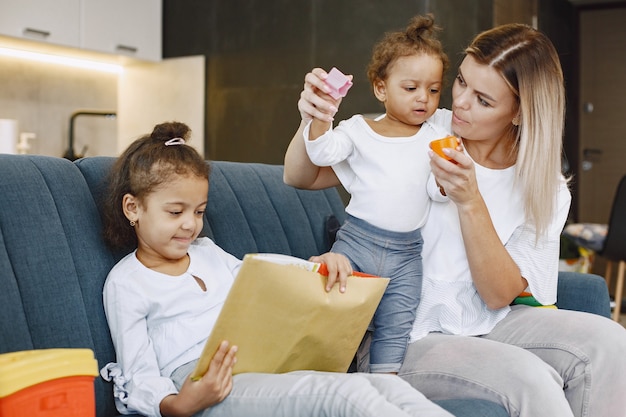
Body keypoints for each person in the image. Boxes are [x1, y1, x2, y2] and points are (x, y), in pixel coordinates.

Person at [285, 21, 626, 417]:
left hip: (492, 320)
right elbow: (302, 175)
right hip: (406, 331)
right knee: (529, 378)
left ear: (519, 113)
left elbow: (500, 296)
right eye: (461, 81)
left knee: (612, 343)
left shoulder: (543, 184)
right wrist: (313, 117)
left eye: (483, 100)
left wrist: (469, 200)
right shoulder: (423, 127)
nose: (460, 102)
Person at [98, 121, 454, 417]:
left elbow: (259, 275)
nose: (190, 225)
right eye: (175, 212)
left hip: (255, 362)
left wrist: (314, 267)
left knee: (385, 384)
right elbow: (136, 372)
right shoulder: (127, 283)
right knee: (345, 397)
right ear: (133, 208)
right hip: (204, 383)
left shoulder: (206, 252)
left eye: (199, 211)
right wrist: (178, 404)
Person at [303, 14, 451, 375]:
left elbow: (435, 192)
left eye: (433, 90)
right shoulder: (359, 129)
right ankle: (318, 377)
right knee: (331, 310)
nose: (424, 99)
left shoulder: (434, 137)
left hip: (406, 255)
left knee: (395, 327)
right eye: (411, 88)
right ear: (380, 88)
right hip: (357, 243)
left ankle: (384, 387)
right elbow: (321, 153)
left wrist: (448, 181)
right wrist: (324, 111)